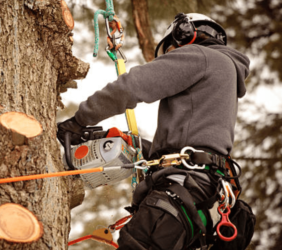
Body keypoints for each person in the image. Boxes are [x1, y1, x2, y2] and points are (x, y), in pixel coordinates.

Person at [57, 13, 251, 250]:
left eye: (171, 51)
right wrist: (139, 146)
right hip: (198, 201)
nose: (171, 59)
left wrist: (79, 121)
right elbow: (198, 145)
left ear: (185, 35)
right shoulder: (225, 73)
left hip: (177, 195)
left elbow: (131, 87)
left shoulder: (200, 55)